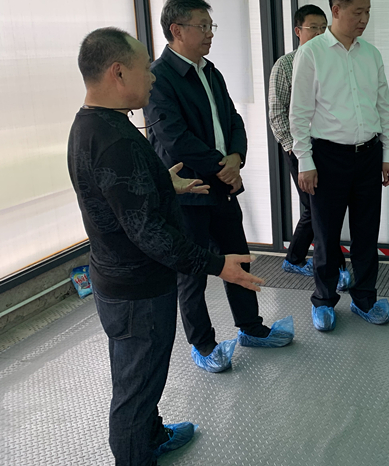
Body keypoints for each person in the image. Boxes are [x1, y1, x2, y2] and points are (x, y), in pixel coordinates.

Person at [67, 28, 265, 465]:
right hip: (136, 288)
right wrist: (218, 265)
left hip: (117, 277)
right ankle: (135, 453)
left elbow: (118, 198)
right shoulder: (115, 141)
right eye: (145, 68)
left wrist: (162, 183)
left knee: (142, 374)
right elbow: (150, 233)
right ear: (118, 73)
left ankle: (152, 435)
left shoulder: (92, 124)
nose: (153, 77)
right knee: (135, 388)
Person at [143, 0, 293, 374]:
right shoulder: (158, 78)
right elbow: (174, 139)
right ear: (177, 30)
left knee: (236, 257)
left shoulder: (210, 71)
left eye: (211, 26)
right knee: (192, 272)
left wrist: (236, 158)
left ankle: (251, 328)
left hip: (223, 187)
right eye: (203, 26)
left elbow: (234, 120)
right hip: (188, 193)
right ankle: (203, 344)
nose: (210, 33)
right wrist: (220, 166)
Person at [290, 0, 389, 331]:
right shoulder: (311, 54)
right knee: (326, 234)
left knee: (366, 232)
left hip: (368, 155)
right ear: (336, 10)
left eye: (367, 12)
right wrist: (305, 161)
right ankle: (323, 300)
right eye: (357, 12)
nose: (364, 19)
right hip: (327, 158)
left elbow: (384, 106)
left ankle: (365, 299)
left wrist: (388, 154)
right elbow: (299, 114)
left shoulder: (371, 54)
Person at [268, 4, 351, 290]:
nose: (318, 33)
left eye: (322, 27)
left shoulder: (332, 61)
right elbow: (277, 112)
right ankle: (334, 266)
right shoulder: (286, 65)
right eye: (312, 27)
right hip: (299, 148)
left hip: (329, 148)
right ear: (297, 31)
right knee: (317, 208)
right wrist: (294, 149)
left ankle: (294, 257)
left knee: (316, 207)